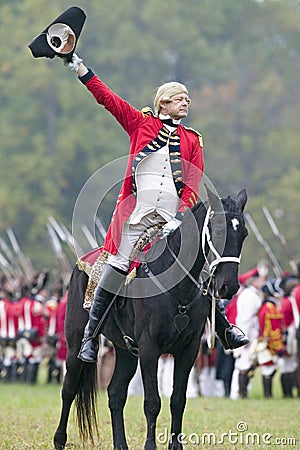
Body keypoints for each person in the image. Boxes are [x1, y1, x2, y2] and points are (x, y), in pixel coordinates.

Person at [64, 54, 248, 363]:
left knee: (203, 267)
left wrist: (179, 218)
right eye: (179, 99)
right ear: (163, 104)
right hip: (135, 219)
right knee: (116, 267)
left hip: (172, 219)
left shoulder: (192, 140)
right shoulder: (140, 123)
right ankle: (90, 337)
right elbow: (106, 98)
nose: (185, 104)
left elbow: (192, 184)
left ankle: (225, 328)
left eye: (187, 99)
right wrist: (78, 66)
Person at [257, 279, 286, 398]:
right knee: (267, 369)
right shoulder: (270, 308)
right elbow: (272, 329)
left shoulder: (270, 306)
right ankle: (267, 395)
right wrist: (277, 346)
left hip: (269, 342)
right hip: (269, 343)